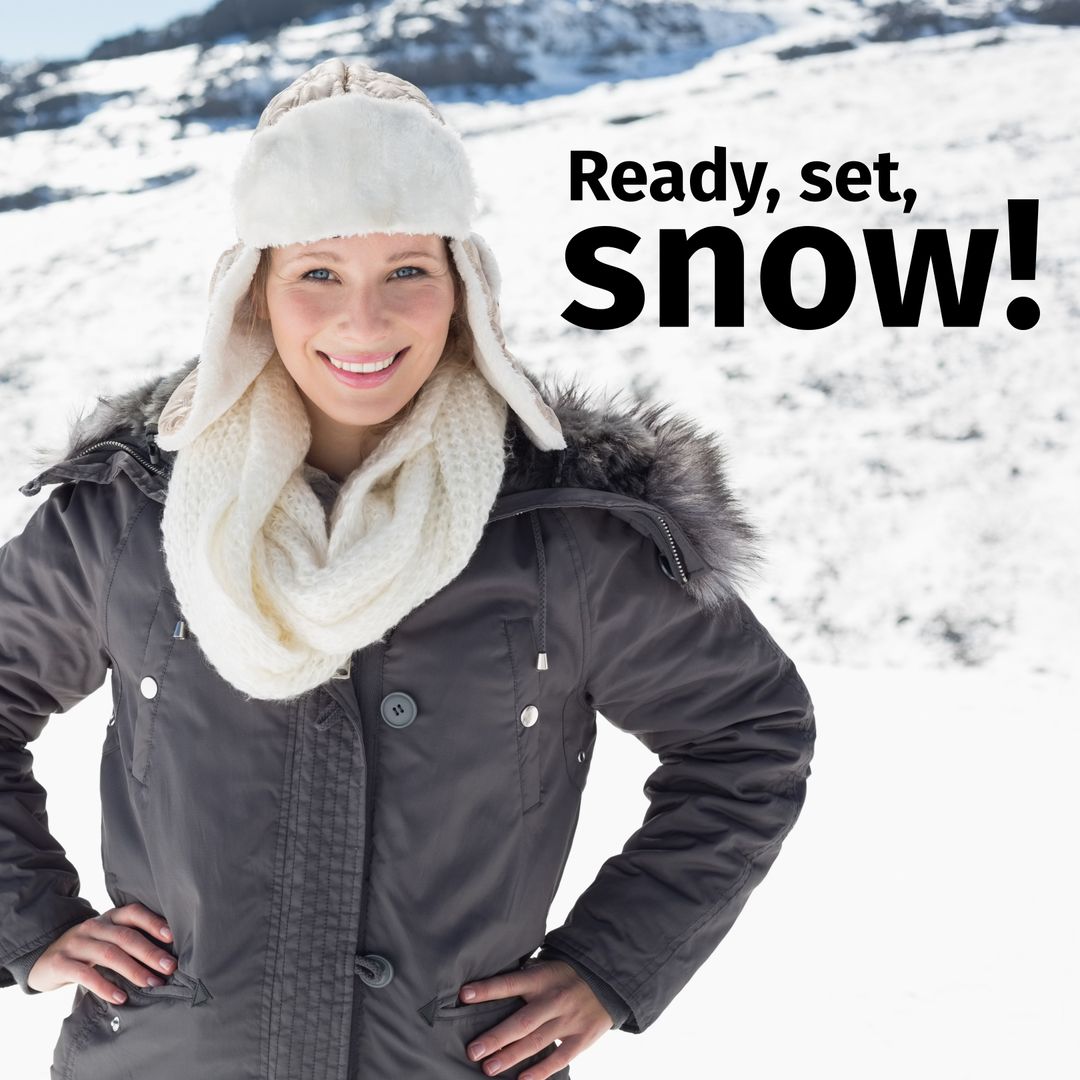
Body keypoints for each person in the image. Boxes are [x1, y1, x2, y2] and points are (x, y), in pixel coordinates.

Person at [0, 59, 816, 1079]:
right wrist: (27, 921)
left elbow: (748, 734)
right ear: (253, 292)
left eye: (407, 271)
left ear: (464, 285)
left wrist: (614, 965)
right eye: (318, 274)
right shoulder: (128, 514)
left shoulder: (564, 528)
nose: (364, 323)